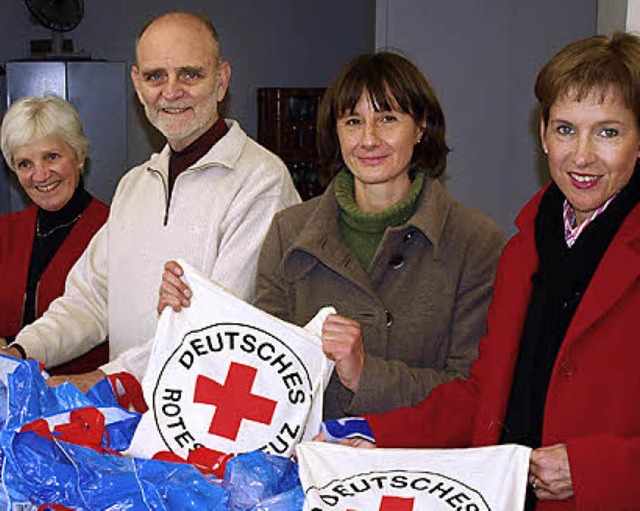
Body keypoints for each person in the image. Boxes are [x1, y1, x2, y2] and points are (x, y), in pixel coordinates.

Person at [325, 33, 640, 511]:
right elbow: (483, 397)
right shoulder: (525, 249)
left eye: (608, 132)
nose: (582, 156)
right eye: (566, 130)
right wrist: (378, 437)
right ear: (542, 135)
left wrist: (596, 468)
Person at [159, 51, 504, 420]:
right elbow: (259, 369)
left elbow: (473, 394)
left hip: (418, 466)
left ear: (421, 126)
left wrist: (365, 374)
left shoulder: (476, 243)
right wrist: (189, 317)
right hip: (312, 461)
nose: (369, 140)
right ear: (336, 132)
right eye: (353, 121)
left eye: (388, 118)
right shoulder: (288, 232)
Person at [2, 11, 299, 391]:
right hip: (129, 415)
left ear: (221, 81)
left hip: (203, 416)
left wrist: (102, 382)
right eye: (155, 76)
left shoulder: (260, 183)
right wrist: (21, 351)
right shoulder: (134, 186)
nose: (171, 92)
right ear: (137, 86)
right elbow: (90, 300)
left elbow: (215, 331)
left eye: (190, 74)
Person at [0, 95, 109, 374]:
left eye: (52, 156)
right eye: (25, 163)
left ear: (79, 156)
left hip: (85, 400)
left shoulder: (113, 229)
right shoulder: (5, 231)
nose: (40, 175)